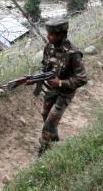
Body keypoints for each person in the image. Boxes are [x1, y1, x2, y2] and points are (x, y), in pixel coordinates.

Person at [37, 18, 88, 157]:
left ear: (61, 35)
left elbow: (82, 79)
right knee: (44, 113)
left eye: (52, 34)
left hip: (66, 92)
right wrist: (39, 77)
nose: (48, 36)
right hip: (51, 89)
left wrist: (60, 83)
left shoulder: (73, 53)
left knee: (50, 122)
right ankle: (54, 139)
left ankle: (43, 153)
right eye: (48, 33)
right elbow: (46, 66)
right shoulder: (48, 47)